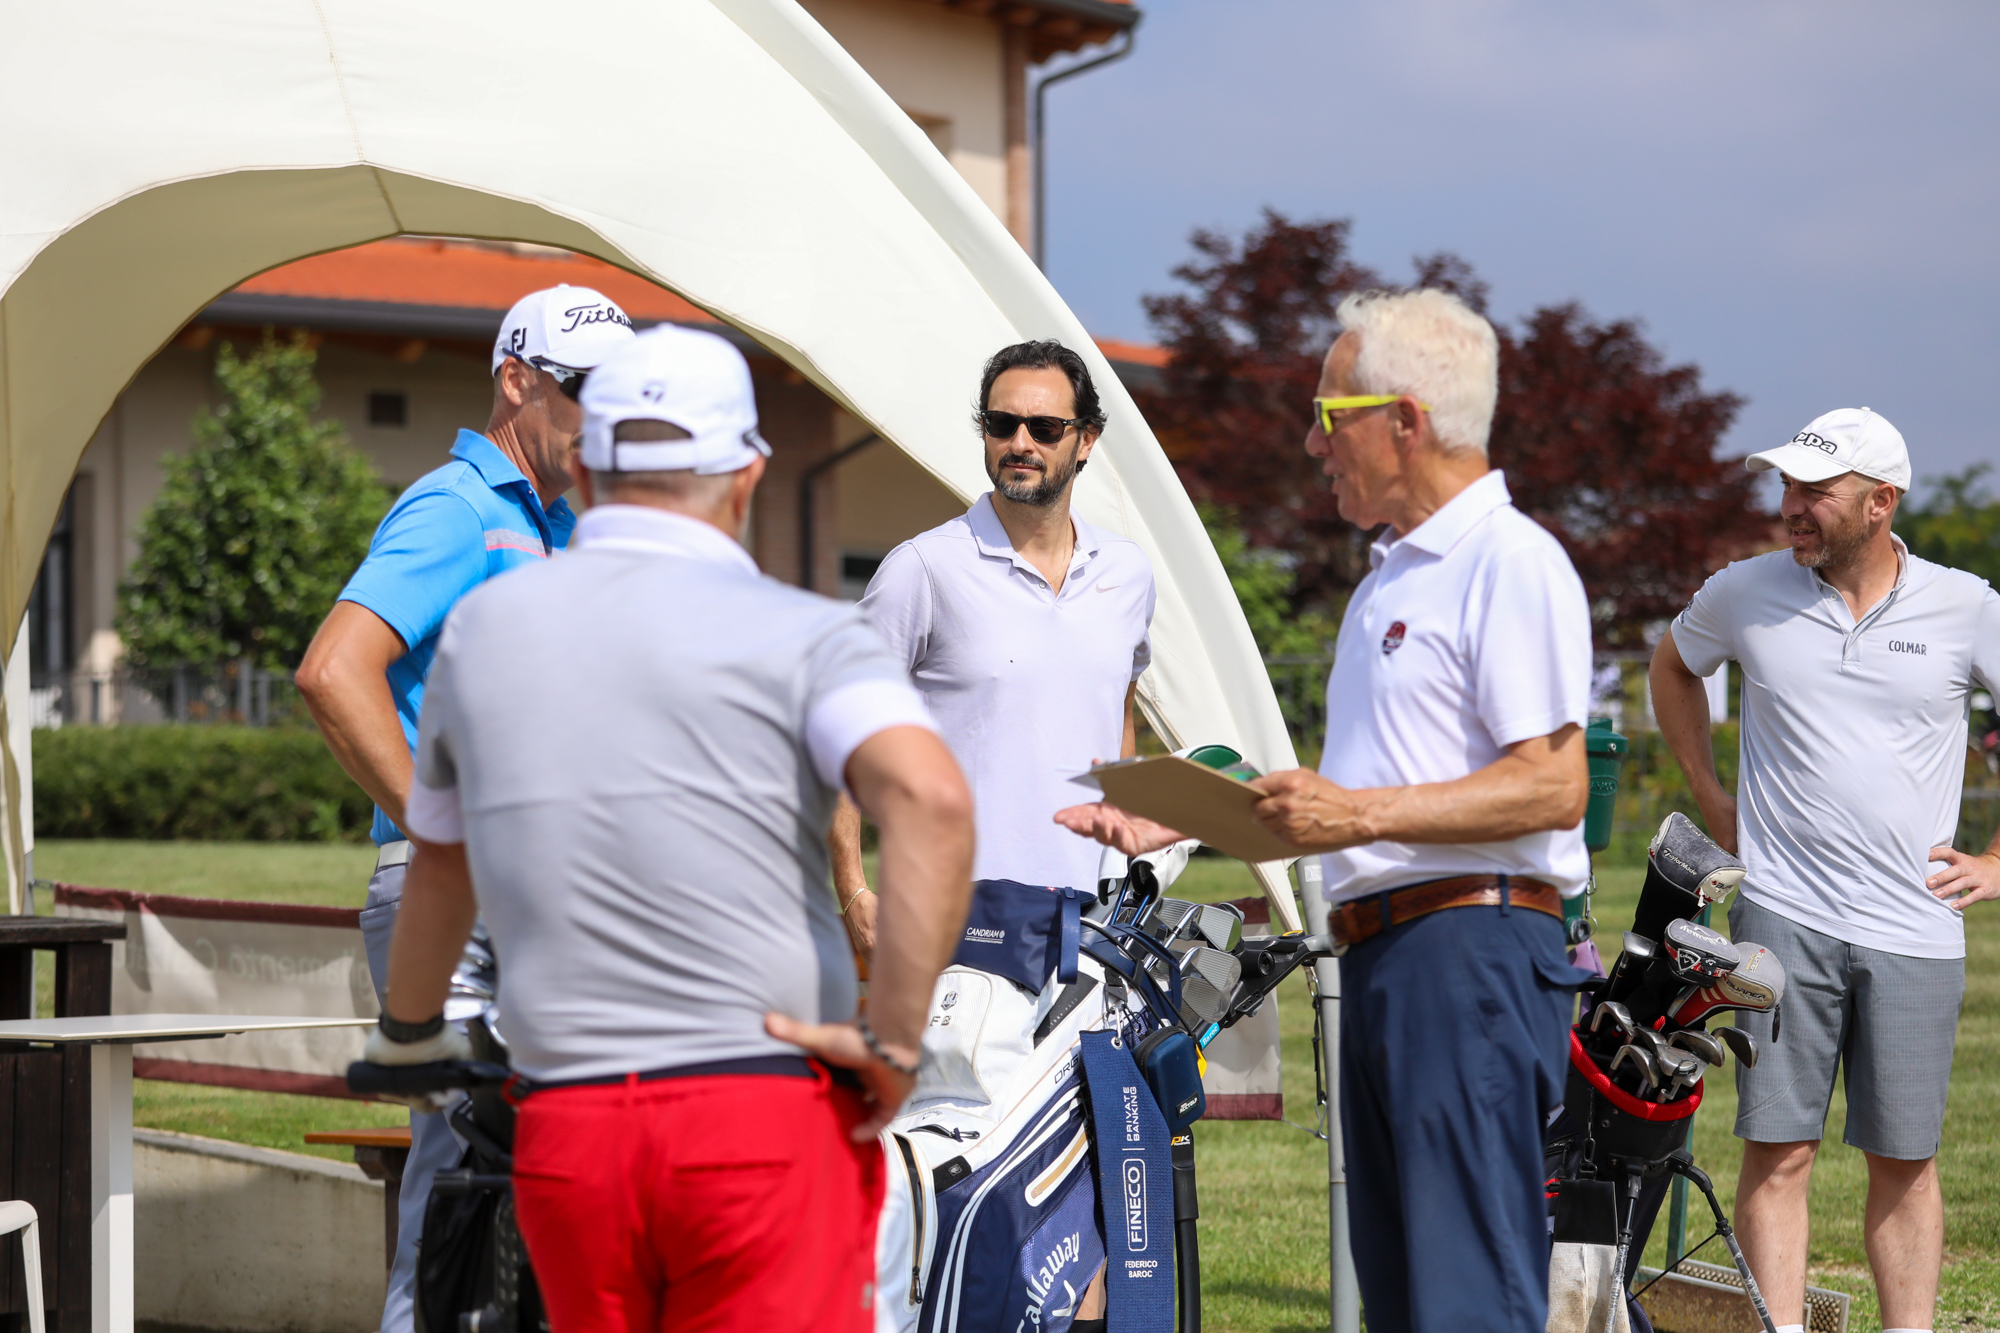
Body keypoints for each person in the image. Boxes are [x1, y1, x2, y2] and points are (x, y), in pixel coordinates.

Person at [362, 323, 975, 1333]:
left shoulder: (487, 630)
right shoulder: (809, 633)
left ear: (587, 470)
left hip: (572, 1124)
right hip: (760, 1109)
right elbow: (933, 801)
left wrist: (409, 1032)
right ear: (748, 474)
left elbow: (442, 862)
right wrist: (897, 1038)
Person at [1058, 288, 1592, 1333]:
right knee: (1407, 1300)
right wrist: (1194, 813)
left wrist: (1351, 815)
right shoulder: (1390, 579)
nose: (1312, 443)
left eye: (1327, 414)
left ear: (1405, 420)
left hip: (1467, 952)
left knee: (1467, 1301)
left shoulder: (1508, 561)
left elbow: (1552, 783)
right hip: (1396, 955)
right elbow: (1358, 802)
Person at [295, 284, 632, 1333]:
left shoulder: (565, 526)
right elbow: (332, 671)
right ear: (516, 380)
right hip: (461, 899)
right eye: (587, 390)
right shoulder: (457, 506)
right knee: (463, 1194)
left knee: (535, 1202)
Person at [1650, 407, 2000, 1333]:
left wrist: (1999, 860)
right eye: (1787, 486)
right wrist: (1710, 794)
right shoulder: (1743, 590)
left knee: (1906, 1160)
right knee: (1779, 1151)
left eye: (1815, 490)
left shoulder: (1966, 605)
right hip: (1778, 916)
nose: (1790, 506)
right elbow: (1673, 667)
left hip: (1916, 926)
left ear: (1882, 502)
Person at [829, 339, 1155, 950]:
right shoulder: (923, 568)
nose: (1020, 443)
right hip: (955, 921)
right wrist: (852, 887)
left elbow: (1119, 712)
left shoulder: (1128, 571)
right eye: (1002, 424)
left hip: (1093, 923)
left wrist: (1127, 860)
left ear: (1086, 440)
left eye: (1045, 427)